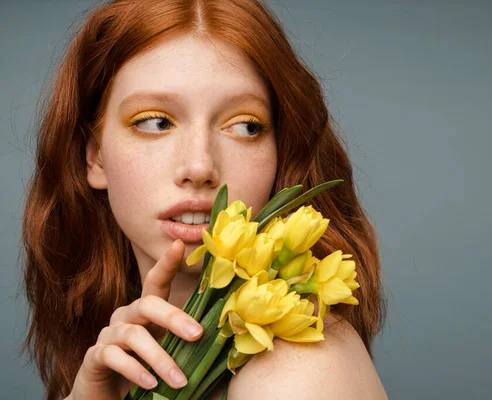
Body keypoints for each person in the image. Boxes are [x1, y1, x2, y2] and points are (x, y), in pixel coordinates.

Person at [20, 0, 387, 399]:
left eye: (246, 126)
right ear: (95, 158)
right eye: (155, 122)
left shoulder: (298, 371)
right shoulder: (110, 364)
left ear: (282, 152)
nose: (199, 166)